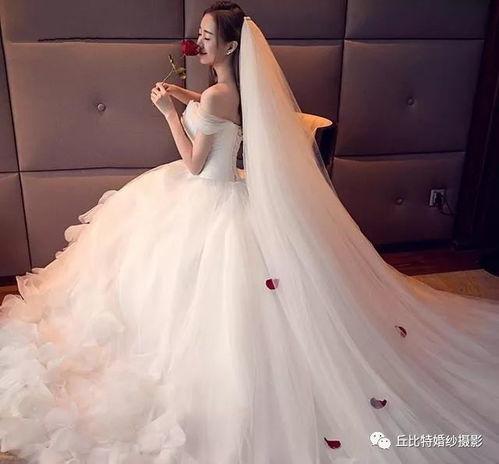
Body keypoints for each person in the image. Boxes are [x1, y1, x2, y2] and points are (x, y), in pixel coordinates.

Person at [1, 2, 498, 463]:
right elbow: (215, 108)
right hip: (222, 189)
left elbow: (194, 164)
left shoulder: (220, 95)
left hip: (208, 191)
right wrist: (185, 96)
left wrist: (170, 114)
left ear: (231, 45)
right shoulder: (225, 89)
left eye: (207, 36)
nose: (198, 42)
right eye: (198, 34)